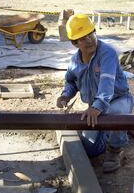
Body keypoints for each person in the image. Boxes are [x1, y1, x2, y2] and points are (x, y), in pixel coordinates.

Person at [56, 14, 133, 173]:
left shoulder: (107, 53)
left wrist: (97, 107)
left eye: (91, 34)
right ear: (75, 43)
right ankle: (115, 131)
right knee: (90, 149)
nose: (89, 40)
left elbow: (107, 82)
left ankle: (114, 151)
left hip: (119, 99)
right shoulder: (75, 61)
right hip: (96, 106)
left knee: (116, 115)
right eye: (83, 38)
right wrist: (66, 95)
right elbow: (70, 81)